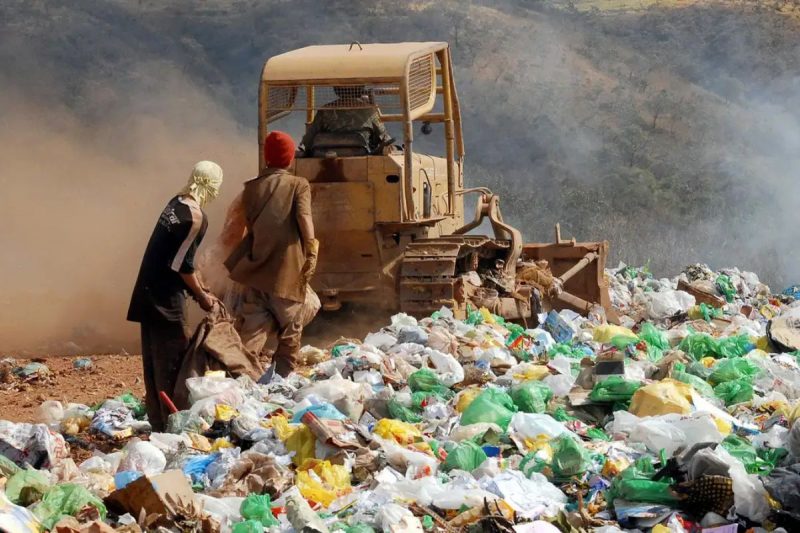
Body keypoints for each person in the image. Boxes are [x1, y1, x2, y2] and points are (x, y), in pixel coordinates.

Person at [127, 161, 223, 431]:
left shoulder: (176, 203)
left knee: (153, 363)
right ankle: (175, 426)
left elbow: (180, 259)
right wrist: (203, 298)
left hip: (147, 291)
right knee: (174, 363)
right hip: (165, 300)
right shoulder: (194, 217)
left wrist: (202, 288)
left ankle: (158, 421)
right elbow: (182, 266)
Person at [225, 131, 319, 377]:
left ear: (266, 157)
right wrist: (311, 250)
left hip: (254, 271)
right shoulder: (299, 184)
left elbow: (239, 228)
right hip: (285, 273)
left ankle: (241, 378)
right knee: (292, 326)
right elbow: (304, 218)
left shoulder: (251, 188)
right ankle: (283, 377)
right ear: (289, 159)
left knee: (253, 330)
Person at [300, 86, 393, 156]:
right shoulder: (369, 110)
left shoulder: (324, 110)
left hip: (325, 160)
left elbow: (308, 141)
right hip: (362, 159)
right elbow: (384, 138)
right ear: (360, 89)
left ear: (337, 90)